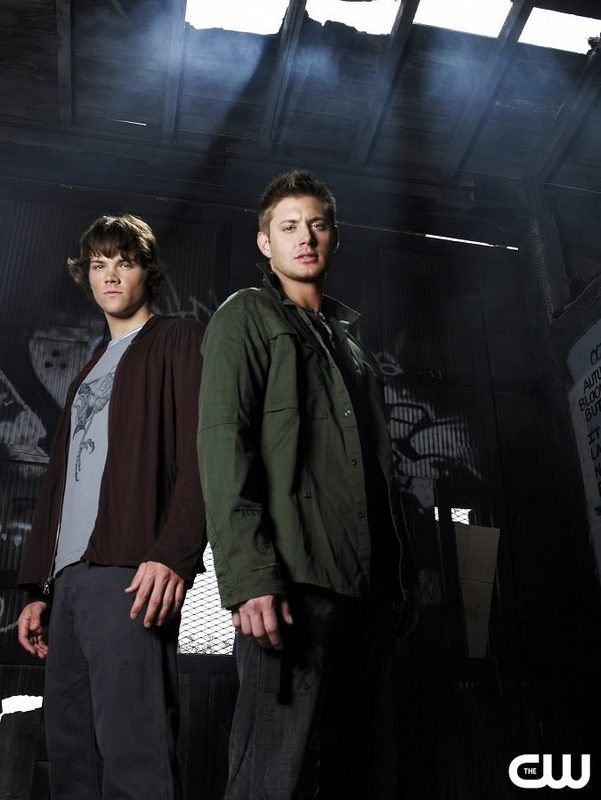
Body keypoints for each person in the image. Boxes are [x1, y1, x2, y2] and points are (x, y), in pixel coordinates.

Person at [198, 171, 417, 799]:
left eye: (317, 224)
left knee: (363, 776)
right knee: (274, 776)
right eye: (289, 226)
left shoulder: (353, 349)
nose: (306, 237)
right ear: (265, 242)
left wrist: (398, 584)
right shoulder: (247, 316)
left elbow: (379, 474)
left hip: (367, 595)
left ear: (334, 236)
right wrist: (249, 578)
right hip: (293, 586)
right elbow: (222, 444)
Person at [16, 214, 206, 800]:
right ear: (87, 276)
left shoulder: (178, 340)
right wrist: (39, 588)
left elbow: (205, 452)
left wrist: (173, 552)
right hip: (69, 580)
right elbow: (59, 485)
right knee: (71, 755)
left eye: (124, 263)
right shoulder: (88, 370)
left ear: (148, 271)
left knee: (134, 750)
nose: (111, 276)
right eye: (99, 265)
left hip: (129, 569)